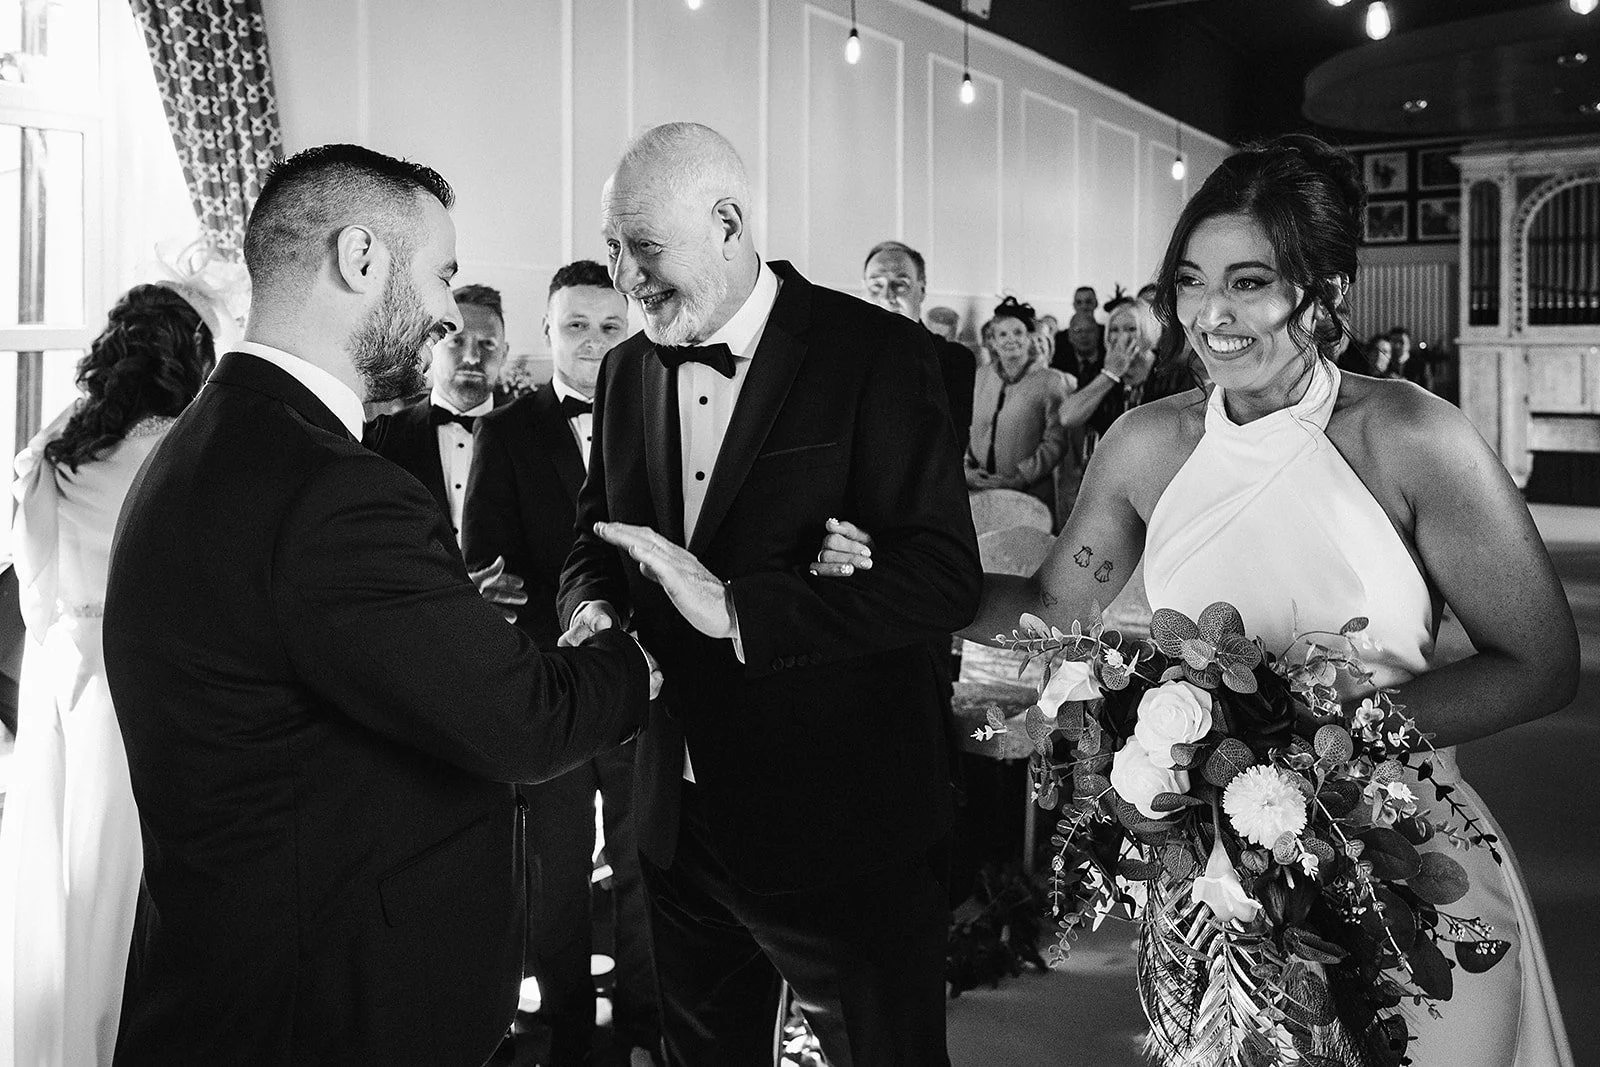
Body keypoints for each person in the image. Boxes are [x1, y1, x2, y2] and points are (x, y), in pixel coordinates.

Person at [815, 134, 1577, 1066]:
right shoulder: (1147, 445)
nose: (1212, 314)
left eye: (1249, 282)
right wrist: (890, 577)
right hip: (1219, 888)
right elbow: (1055, 603)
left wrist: (1317, 748)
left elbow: (1541, 663)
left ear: (1325, 289)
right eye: (1190, 281)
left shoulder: (1411, 435)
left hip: (1404, 860)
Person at [103, 144, 656, 1067]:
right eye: (440, 276)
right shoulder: (327, 485)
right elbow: (521, 720)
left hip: (237, 976)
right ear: (360, 258)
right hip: (320, 1010)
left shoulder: (210, 439)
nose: (448, 313)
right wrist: (637, 658)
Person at [558, 122, 980, 1066]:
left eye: (644, 246)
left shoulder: (874, 352)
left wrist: (744, 608)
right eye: (613, 247)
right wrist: (592, 609)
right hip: (679, 821)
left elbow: (943, 575)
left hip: (842, 825)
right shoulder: (626, 370)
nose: (624, 277)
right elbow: (594, 537)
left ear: (728, 222)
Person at [0, 283, 216, 1067]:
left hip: (62, 673)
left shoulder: (59, 443)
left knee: (66, 883)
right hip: (144, 678)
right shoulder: (189, 446)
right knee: (129, 887)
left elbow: (35, 589)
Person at [463, 259, 658, 1065]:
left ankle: (646, 1028)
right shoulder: (508, 431)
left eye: (611, 326)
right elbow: (487, 567)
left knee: (646, 861)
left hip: (646, 683)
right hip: (550, 689)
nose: (593, 341)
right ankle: (569, 1035)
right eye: (575, 325)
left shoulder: (659, 419)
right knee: (556, 868)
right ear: (546, 332)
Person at [364, 282, 508, 544]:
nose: (472, 357)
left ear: (504, 354)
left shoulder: (531, 434)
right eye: (457, 342)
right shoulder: (383, 439)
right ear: (432, 345)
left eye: (487, 344)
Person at [965, 297, 1072, 517]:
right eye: (1003, 334)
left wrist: (1020, 478)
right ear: (993, 341)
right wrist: (966, 470)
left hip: (1030, 495)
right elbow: (967, 428)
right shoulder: (980, 376)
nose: (1010, 339)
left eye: (1018, 332)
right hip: (980, 491)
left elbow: (1056, 442)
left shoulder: (1050, 381)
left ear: (1029, 338)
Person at [862, 240, 976, 444]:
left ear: (921, 290)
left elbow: (948, 446)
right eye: (876, 285)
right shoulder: (843, 359)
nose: (887, 297)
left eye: (900, 284)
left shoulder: (953, 360)